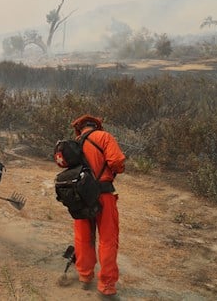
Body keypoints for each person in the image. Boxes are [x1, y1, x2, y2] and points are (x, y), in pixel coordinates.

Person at [69, 114, 126, 297]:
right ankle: (107, 286)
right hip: (103, 194)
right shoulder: (105, 137)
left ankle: (85, 277)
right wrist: (117, 169)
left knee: (83, 237)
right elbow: (116, 162)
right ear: (97, 126)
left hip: (81, 197)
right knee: (108, 239)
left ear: (80, 128)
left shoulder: (75, 143)